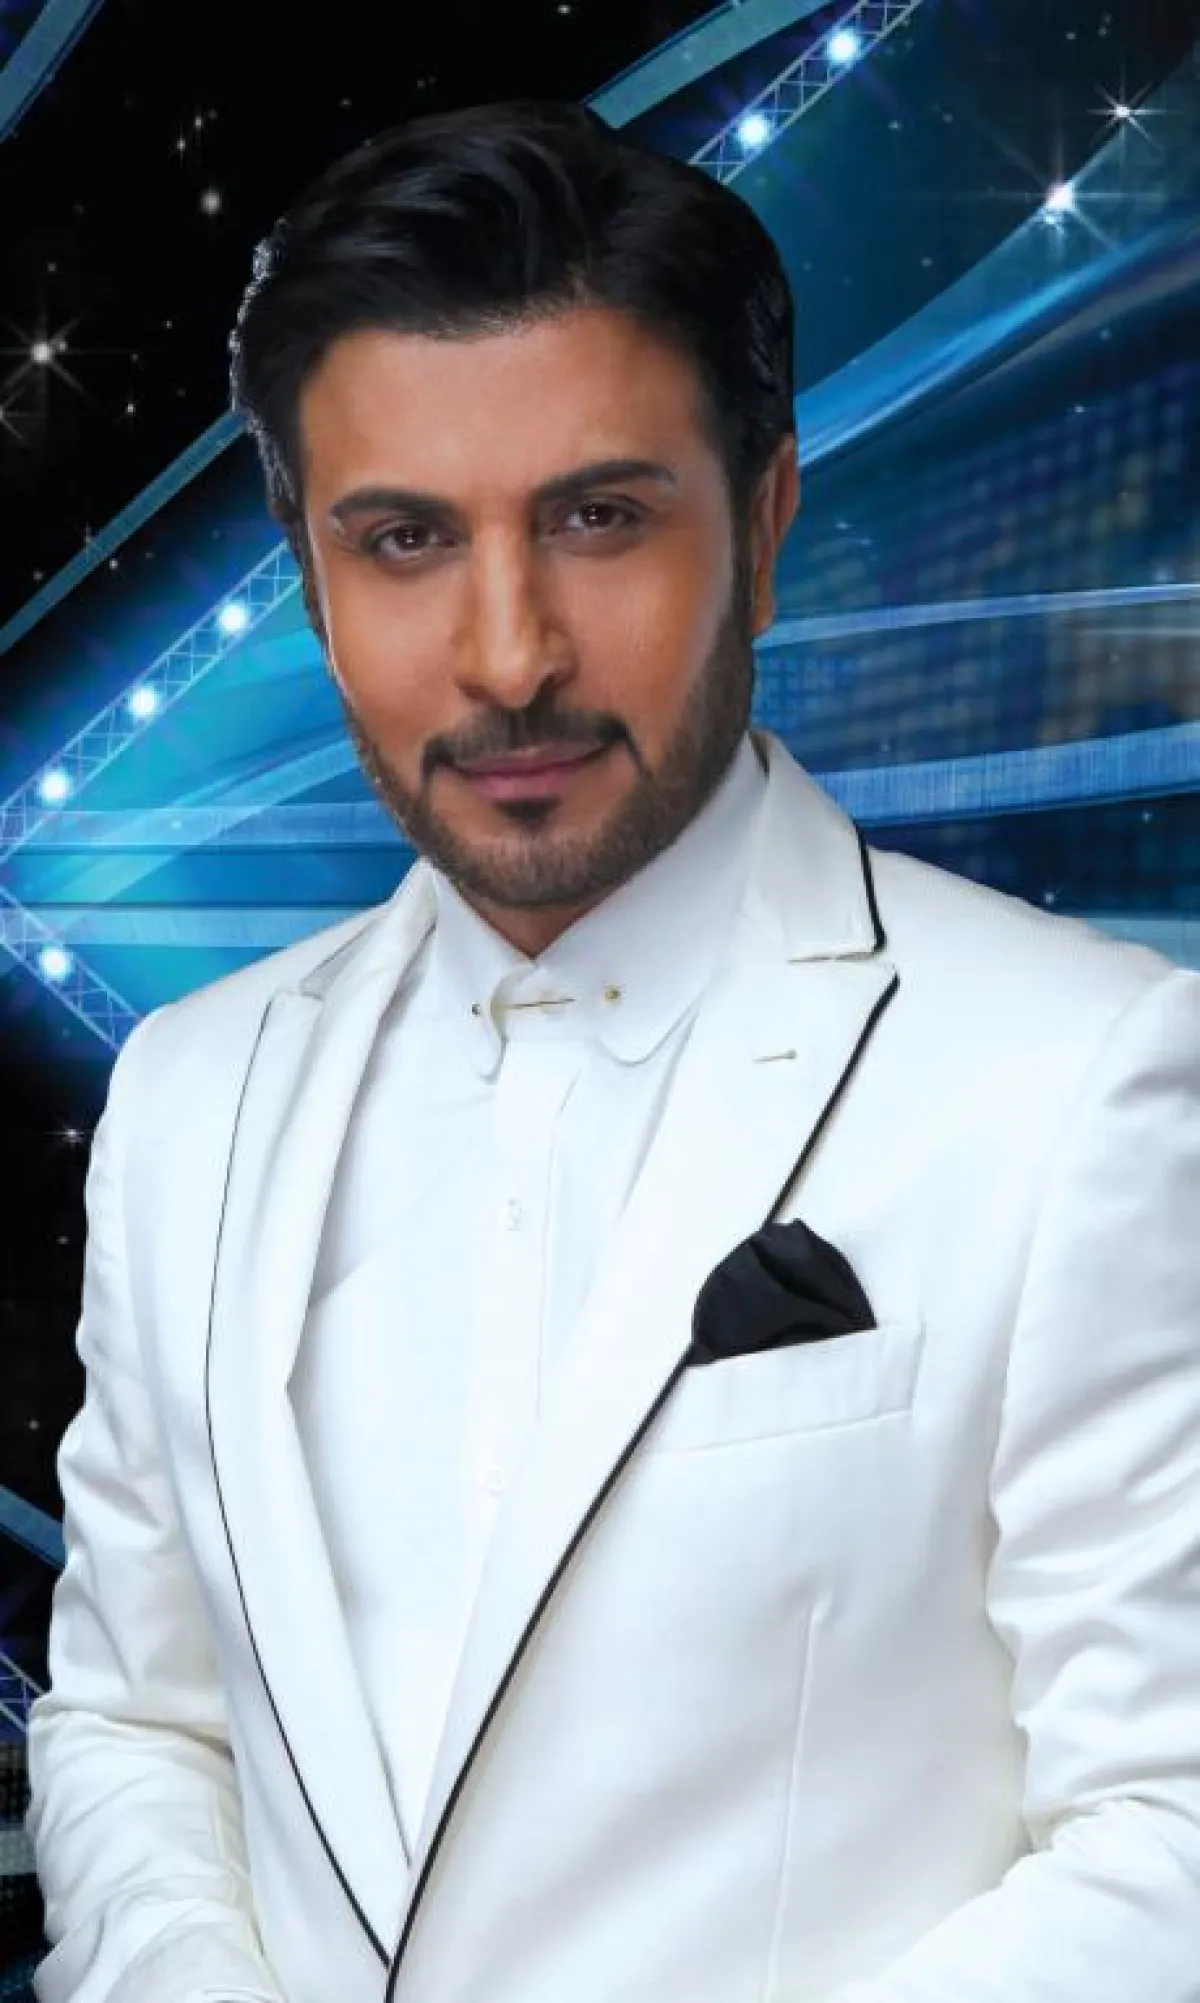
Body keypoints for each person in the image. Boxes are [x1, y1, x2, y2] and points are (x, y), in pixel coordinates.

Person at [25, 96, 1200, 2003]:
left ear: (766, 515)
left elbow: (1174, 1822)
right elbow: (139, 1720)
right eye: (405, 539)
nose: (509, 656)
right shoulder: (187, 1089)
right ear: (310, 576)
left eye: (598, 518)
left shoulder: (1088, 1074)